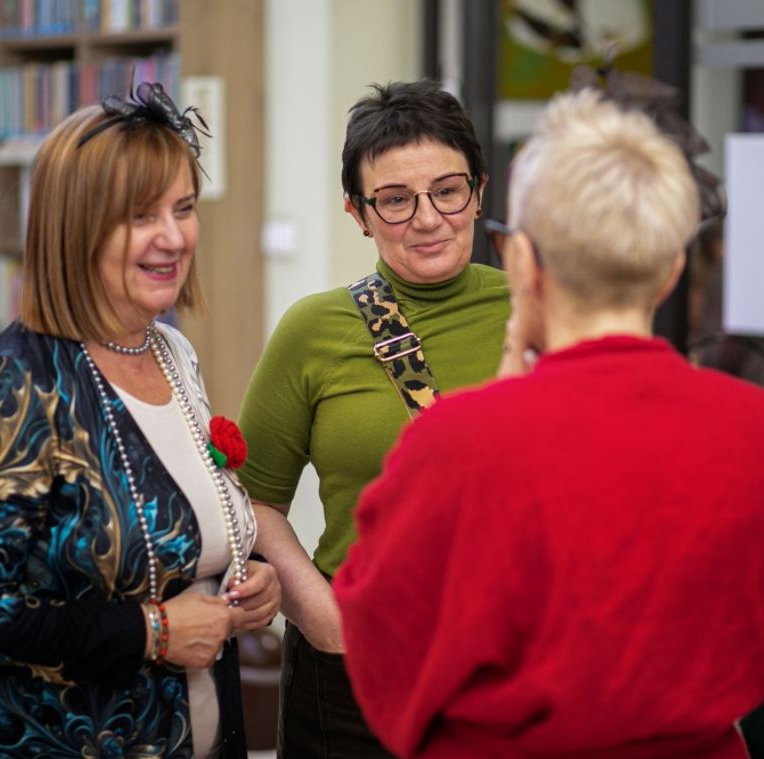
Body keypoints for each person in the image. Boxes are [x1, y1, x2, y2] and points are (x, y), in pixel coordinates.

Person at [333, 88, 764, 758]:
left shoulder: (456, 439)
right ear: (672, 269)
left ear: (522, 263)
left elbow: (383, 640)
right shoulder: (757, 425)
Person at [0, 82, 280, 758]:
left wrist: (250, 575)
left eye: (184, 208)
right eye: (141, 215)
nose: (173, 237)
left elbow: (176, 527)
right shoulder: (11, 387)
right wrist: (152, 632)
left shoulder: (173, 352)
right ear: (76, 225)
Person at [236, 79, 509, 756]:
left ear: (479, 189)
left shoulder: (537, 310)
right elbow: (250, 498)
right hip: (355, 671)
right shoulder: (313, 329)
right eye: (395, 200)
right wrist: (320, 616)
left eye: (448, 190)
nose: (427, 218)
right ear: (358, 213)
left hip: (507, 661)